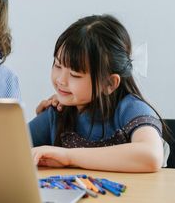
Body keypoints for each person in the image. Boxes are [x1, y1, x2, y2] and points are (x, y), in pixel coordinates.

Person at [29, 14, 167, 173]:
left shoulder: (130, 109)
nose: (61, 80)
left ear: (109, 83)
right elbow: (7, 149)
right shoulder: (57, 112)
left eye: (75, 75)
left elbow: (151, 156)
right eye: (58, 65)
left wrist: (68, 156)